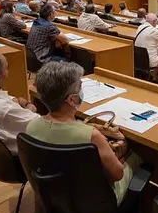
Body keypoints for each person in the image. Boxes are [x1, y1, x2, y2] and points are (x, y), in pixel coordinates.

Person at [27, 61, 142, 205]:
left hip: (53, 196)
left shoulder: (31, 127)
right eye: (80, 86)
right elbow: (118, 174)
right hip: (95, 202)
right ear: (71, 99)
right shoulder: (92, 136)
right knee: (139, 156)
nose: (82, 90)